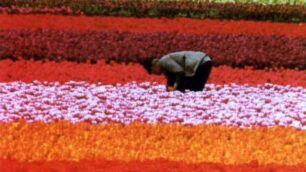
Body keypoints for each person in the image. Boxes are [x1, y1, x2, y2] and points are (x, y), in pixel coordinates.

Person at [141, 51, 213, 92]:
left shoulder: (164, 61)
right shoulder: (165, 65)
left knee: (194, 87)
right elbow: (172, 77)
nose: (156, 74)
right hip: (204, 61)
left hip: (201, 63)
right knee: (195, 87)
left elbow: (179, 71)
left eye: (153, 71)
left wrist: (176, 86)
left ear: (154, 65)